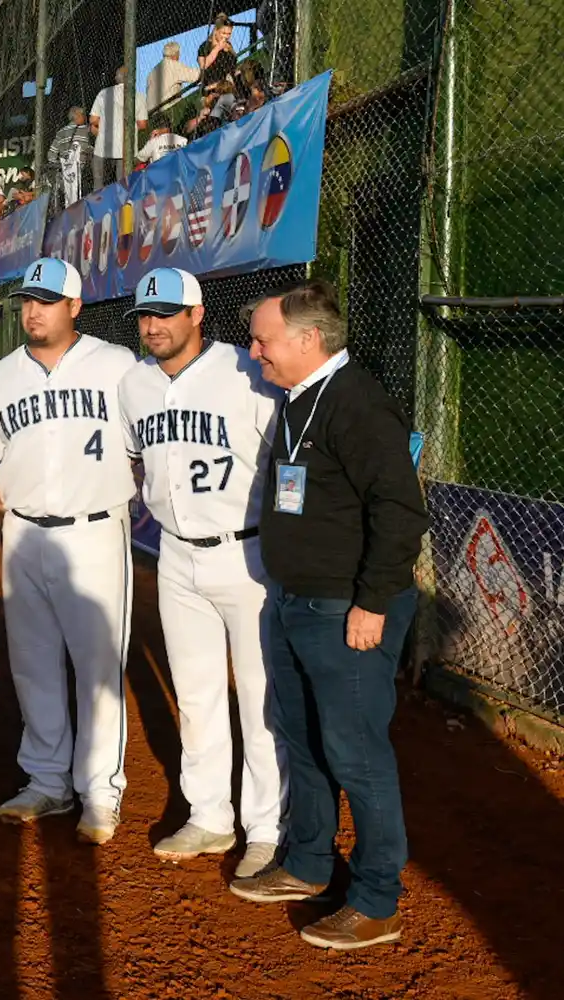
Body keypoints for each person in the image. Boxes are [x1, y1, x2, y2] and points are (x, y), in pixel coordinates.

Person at [231, 280, 428, 951]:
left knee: (356, 752)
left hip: (346, 608)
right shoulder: (298, 399)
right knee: (303, 738)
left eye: (264, 340)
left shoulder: (358, 404)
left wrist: (372, 602)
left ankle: (377, 901)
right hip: (295, 600)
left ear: (308, 340)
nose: (254, 351)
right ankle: (309, 864)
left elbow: (400, 514)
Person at [0, 257, 136, 842]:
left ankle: (99, 790)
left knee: (96, 667)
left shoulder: (117, 366)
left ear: (75, 306)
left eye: (46, 300)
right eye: (27, 301)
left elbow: (144, 445)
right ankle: (46, 779)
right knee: (32, 662)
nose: (33, 310)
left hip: (93, 530)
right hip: (25, 532)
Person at [116, 268, 284, 878]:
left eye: (167, 313)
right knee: (196, 691)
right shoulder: (133, 385)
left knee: (262, 697)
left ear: (197, 314)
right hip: (176, 554)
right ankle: (210, 814)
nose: (154, 325)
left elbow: (290, 458)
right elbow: (136, 462)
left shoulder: (247, 371)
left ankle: (267, 827)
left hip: (250, 553)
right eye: (145, 315)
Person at [90, 67, 149, 190]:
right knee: (123, 186)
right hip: (125, 148)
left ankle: (100, 208)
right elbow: (143, 124)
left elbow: (93, 120)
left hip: (103, 148)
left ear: (116, 78)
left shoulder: (103, 93)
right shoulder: (138, 96)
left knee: (99, 186)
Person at [198, 15, 239, 92]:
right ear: (216, 31)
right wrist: (217, 48)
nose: (226, 36)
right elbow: (203, 65)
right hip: (213, 88)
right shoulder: (205, 46)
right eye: (223, 33)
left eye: (229, 34)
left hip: (231, 86)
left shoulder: (229, 45)